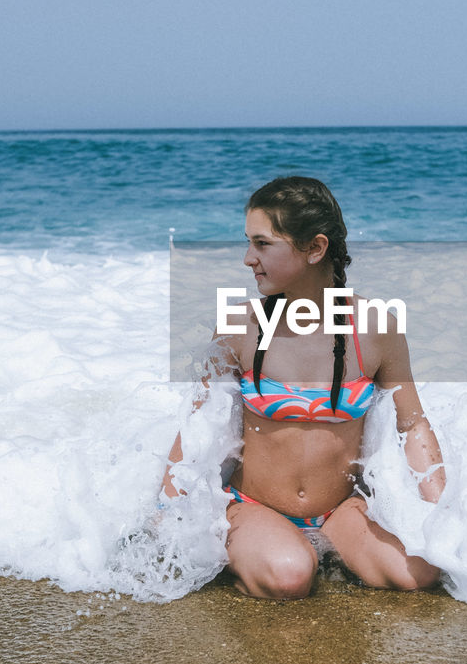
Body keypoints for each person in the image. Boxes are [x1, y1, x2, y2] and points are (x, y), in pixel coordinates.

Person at [162, 176, 446, 600]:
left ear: (315, 248)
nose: (247, 258)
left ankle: (318, 549)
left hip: (340, 511)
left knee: (422, 571)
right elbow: (198, 426)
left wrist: (446, 516)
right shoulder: (241, 328)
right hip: (253, 506)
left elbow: (414, 426)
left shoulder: (375, 329)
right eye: (248, 243)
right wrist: (166, 517)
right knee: (290, 575)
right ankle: (251, 554)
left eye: (262, 244)